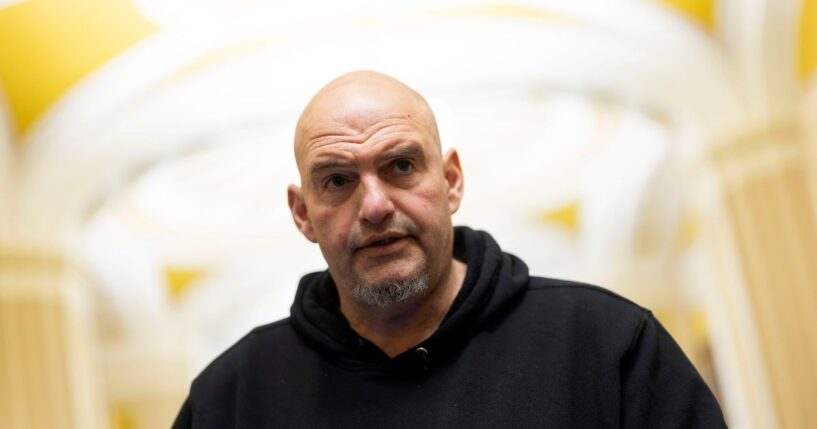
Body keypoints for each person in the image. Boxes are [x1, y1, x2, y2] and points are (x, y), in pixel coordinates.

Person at [172, 71, 726, 428]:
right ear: (302, 214)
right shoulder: (232, 399)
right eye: (337, 180)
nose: (374, 206)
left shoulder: (606, 344)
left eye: (401, 166)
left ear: (452, 180)